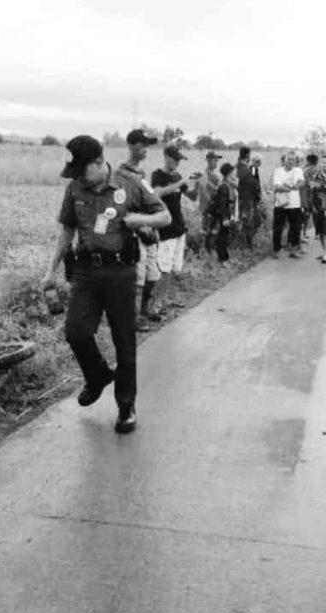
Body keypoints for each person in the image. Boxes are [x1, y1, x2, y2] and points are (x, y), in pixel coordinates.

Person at [41, 135, 171, 435]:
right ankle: (98, 376)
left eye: (80, 171)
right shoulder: (74, 188)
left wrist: (137, 220)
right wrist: (50, 271)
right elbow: (66, 230)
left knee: (124, 342)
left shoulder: (131, 183)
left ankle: (126, 407)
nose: (76, 179)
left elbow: (163, 215)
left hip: (120, 272)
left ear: (99, 163)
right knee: (75, 332)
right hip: (86, 271)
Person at [116, 129, 163, 328]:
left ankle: (146, 308)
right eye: (142, 144)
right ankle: (132, 318)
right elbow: (119, 207)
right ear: (130, 145)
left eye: (147, 145)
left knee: (153, 274)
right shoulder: (121, 175)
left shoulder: (141, 174)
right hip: (132, 233)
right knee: (138, 278)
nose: (145, 149)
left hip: (147, 230)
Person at [150, 144, 199, 312]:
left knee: (172, 268)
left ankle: (164, 299)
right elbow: (156, 193)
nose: (178, 163)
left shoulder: (177, 175)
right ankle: (157, 303)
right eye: (176, 159)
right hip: (165, 228)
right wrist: (179, 183)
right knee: (163, 268)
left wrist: (196, 183)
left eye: (179, 160)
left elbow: (192, 196)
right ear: (167, 157)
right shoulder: (158, 175)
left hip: (178, 226)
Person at [271, 150, 305, 259]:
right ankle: (276, 250)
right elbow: (277, 186)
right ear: (284, 159)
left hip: (294, 204)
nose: (291, 162)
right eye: (289, 159)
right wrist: (291, 187)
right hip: (280, 204)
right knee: (278, 228)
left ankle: (294, 250)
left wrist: (289, 186)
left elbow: (300, 183)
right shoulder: (278, 171)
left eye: (293, 160)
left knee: (295, 228)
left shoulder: (298, 170)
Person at [207, 162, 238, 264]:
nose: (235, 174)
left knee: (225, 236)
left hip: (227, 214)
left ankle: (226, 257)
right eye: (233, 172)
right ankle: (223, 259)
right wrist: (225, 218)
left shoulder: (228, 184)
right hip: (222, 215)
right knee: (222, 237)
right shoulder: (223, 186)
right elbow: (222, 204)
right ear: (229, 174)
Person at [197, 150, 223, 253]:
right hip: (208, 206)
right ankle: (204, 251)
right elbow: (204, 191)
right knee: (206, 230)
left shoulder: (213, 173)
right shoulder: (206, 174)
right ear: (208, 161)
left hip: (213, 205)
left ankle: (209, 250)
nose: (216, 162)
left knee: (213, 229)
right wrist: (211, 203)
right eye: (214, 160)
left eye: (217, 160)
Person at [235, 146, 262, 247]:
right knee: (249, 221)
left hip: (244, 197)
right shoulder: (245, 169)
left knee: (247, 220)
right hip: (247, 198)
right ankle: (249, 244)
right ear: (247, 155)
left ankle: (246, 242)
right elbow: (251, 184)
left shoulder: (239, 167)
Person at [300, 153, 319, 245]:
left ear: (308, 160)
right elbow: (312, 184)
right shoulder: (314, 169)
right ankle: (317, 233)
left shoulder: (305, 169)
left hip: (304, 195)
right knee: (315, 214)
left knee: (305, 215)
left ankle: (303, 234)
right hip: (311, 195)